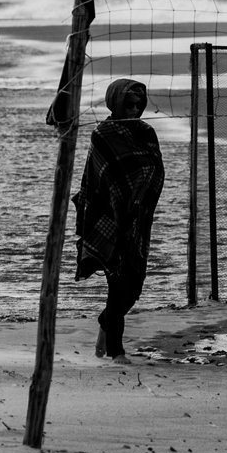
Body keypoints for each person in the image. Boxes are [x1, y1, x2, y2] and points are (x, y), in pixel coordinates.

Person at [74, 78, 165, 359]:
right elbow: (100, 178)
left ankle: (104, 322)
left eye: (140, 103)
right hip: (108, 218)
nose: (135, 108)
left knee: (134, 287)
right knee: (117, 285)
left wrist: (139, 195)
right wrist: (119, 199)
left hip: (138, 219)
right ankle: (116, 351)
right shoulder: (103, 133)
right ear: (115, 102)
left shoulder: (147, 132)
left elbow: (155, 169)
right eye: (129, 103)